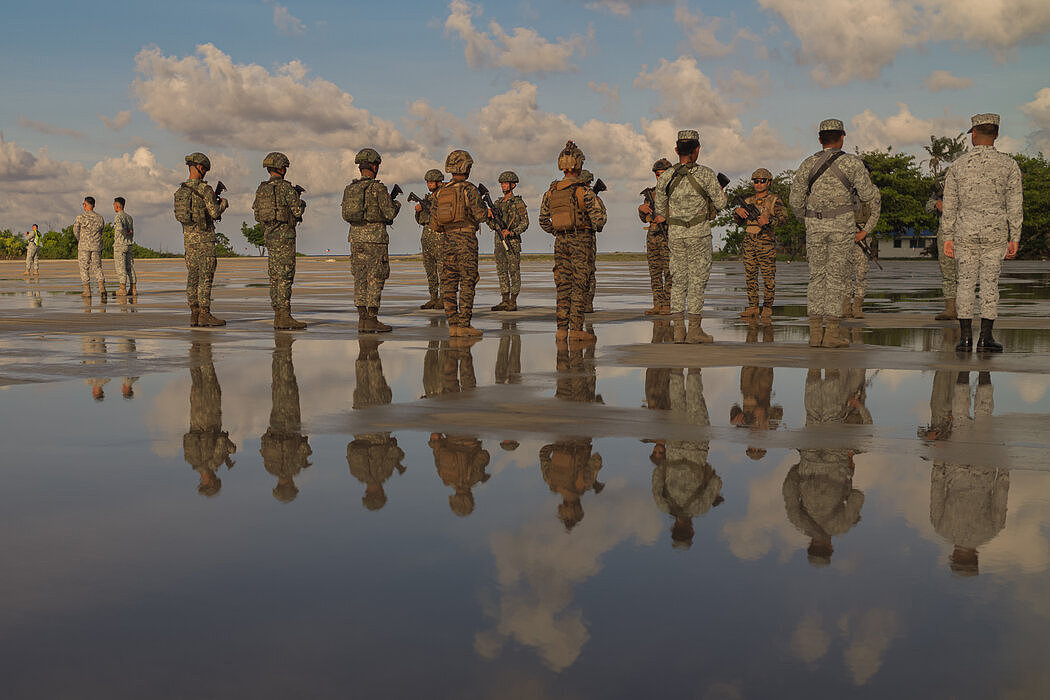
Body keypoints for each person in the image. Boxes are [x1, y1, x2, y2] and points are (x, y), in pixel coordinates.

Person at [789, 119, 880, 348]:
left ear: (820, 139)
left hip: (815, 227)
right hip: (842, 227)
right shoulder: (852, 163)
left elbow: (795, 201)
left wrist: (807, 219)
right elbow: (869, 194)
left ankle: (814, 334)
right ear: (842, 137)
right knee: (837, 278)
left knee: (816, 277)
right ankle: (831, 334)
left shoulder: (807, 164)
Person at [942, 113, 1024, 353]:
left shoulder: (958, 165)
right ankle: (986, 338)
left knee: (964, 283)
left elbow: (950, 204)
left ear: (974, 134)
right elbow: (1015, 203)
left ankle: (965, 339)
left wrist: (948, 236)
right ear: (996, 135)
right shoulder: (1009, 165)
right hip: (996, 231)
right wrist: (1015, 236)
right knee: (990, 284)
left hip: (965, 231)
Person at [783, 368, 866, 566]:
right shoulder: (799, 522)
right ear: (810, 544)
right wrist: (799, 467)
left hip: (835, 460)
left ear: (830, 548)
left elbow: (857, 496)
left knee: (831, 416)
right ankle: (815, 362)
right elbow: (789, 488)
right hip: (809, 461)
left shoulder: (840, 527)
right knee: (813, 414)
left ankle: (831, 365)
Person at [653, 129, 727, 344]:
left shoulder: (666, 176)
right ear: (697, 150)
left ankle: (678, 331)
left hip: (675, 235)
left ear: (676, 150)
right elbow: (721, 204)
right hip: (699, 234)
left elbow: (660, 210)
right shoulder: (705, 174)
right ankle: (694, 330)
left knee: (678, 281)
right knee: (697, 281)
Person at [539, 141, 607, 343]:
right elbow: (599, 221)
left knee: (562, 286)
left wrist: (559, 232)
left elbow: (543, 221)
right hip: (581, 241)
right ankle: (576, 329)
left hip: (560, 242)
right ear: (579, 165)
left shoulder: (551, 192)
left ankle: (561, 330)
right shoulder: (584, 192)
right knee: (579, 285)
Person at [652, 368, 723, 549]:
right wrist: (667, 463)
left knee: (695, 401)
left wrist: (709, 476)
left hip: (697, 450)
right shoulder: (663, 505)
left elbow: (716, 482)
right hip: (675, 450)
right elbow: (657, 476)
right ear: (672, 528)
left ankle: (693, 368)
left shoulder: (700, 508)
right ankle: (676, 370)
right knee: (677, 405)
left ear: (691, 531)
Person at [342, 148, 400, 333]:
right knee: (376, 277)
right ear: (374, 166)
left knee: (360, 278)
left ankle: (362, 319)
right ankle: (372, 319)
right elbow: (389, 213)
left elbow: (345, 215)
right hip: (376, 239)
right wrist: (396, 204)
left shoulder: (350, 188)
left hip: (356, 238)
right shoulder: (378, 188)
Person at [431, 150, 488, 337]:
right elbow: (480, 215)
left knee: (448, 283)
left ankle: (453, 324)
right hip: (466, 241)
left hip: (446, 241)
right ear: (466, 168)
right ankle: (464, 324)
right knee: (467, 281)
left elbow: (434, 224)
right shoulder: (469, 190)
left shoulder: (441, 192)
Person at [348, 337, 405, 511]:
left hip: (379, 425)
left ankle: (371, 347)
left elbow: (393, 450)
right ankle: (364, 348)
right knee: (362, 380)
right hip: (361, 421)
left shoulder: (383, 473)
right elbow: (350, 448)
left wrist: (398, 460)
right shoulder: (357, 472)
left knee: (375, 380)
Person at [253, 152, 308, 329]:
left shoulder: (261, 189)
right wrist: (301, 202)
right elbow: (297, 212)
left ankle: (278, 314)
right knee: (285, 276)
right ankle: (284, 316)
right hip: (285, 237)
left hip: (269, 237)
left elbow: (257, 215)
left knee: (275, 277)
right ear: (282, 168)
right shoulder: (286, 188)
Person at [174, 152, 229, 326]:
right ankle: (205, 314)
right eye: (205, 169)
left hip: (189, 242)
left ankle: (194, 313)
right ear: (201, 168)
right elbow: (214, 213)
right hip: (205, 240)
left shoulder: (180, 191)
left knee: (192, 277)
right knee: (205, 277)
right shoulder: (204, 189)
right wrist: (223, 204)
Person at [260, 334, 312, 502]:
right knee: (278, 383)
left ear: (289, 485)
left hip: (289, 424)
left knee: (287, 382)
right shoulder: (270, 467)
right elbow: (264, 442)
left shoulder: (294, 466)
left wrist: (305, 458)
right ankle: (281, 351)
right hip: (276, 423)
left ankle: (283, 349)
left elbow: (304, 447)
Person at [182, 341, 236, 497]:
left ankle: (204, 345)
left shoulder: (214, 462)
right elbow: (187, 438)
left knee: (208, 375)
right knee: (196, 377)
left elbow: (221, 442)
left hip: (210, 414)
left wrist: (229, 451)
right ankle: (194, 348)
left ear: (212, 481)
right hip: (195, 413)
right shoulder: (191, 460)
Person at [733, 168, 787, 322]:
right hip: (749, 240)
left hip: (765, 241)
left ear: (769, 182)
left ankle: (767, 307)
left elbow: (783, 219)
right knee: (750, 276)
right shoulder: (748, 201)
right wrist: (737, 212)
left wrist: (769, 221)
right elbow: (739, 222)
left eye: (762, 181)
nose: (758, 184)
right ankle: (753, 306)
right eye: (756, 181)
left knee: (768, 276)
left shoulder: (774, 200)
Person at [842, 164, 881, 319]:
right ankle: (845, 307)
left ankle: (857, 307)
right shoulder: (845, 190)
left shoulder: (873, 191)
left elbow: (875, 214)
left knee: (860, 273)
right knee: (844, 273)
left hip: (863, 235)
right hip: (845, 235)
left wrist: (864, 233)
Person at [487, 170, 529, 312]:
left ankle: (513, 301)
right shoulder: (498, 203)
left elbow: (525, 223)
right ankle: (504, 300)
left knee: (514, 271)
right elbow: (492, 226)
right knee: (501, 271)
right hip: (499, 241)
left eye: (506, 183)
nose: (503, 186)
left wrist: (512, 232)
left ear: (513, 185)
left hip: (512, 242)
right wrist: (489, 217)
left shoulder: (518, 203)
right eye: (502, 183)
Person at [639, 159, 673, 315]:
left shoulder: (675, 192)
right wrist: (642, 209)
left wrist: (666, 217)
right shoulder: (651, 193)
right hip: (652, 235)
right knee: (654, 272)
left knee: (669, 272)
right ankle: (657, 304)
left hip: (668, 234)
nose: (659, 178)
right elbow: (644, 217)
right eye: (657, 175)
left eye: (662, 174)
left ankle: (668, 304)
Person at [927, 176, 957, 320]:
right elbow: (927, 206)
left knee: (966, 274)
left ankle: (964, 308)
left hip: (967, 233)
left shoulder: (972, 181)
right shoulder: (942, 185)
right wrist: (936, 204)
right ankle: (950, 309)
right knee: (947, 272)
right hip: (945, 234)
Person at [415, 169, 445, 309]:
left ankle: (444, 298)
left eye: (432, 182)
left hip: (440, 237)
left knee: (443, 269)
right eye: (428, 182)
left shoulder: (444, 198)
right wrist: (419, 210)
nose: (429, 184)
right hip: (426, 236)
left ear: (439, 182)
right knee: (430, 269)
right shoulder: (426, 199)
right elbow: (420, 220)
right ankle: (433, 297)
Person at [578, 170, 605, 314]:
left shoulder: (593, 198)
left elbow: (601, 220)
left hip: (587, 237)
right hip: (578, 238)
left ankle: (588, 303)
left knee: (589, 271)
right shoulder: (576, 196)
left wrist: (592, 225)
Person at [73, 196, 107, 299]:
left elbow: (75, 231)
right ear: (94, 205)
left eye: (84, 204)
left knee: (84, 268)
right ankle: (102, 288)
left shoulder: (80, 217)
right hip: (96, 246)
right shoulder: (100, 218)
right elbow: (101, 232)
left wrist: (81, 240)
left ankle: (87, 291)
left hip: (84, 246)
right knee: (97, 267)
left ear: (85, 205)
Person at [112, 197, 136, 297]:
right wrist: (128, 234)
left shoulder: (118, 216)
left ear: (117, 205)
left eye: (114, 205)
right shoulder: (129, 217)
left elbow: (120, 228)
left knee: (120, 267)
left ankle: (122, 288)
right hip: (129, 244)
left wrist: (124, 233)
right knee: (130, 267)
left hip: (120, 244)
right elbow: (132, 231)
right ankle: (133, 288)